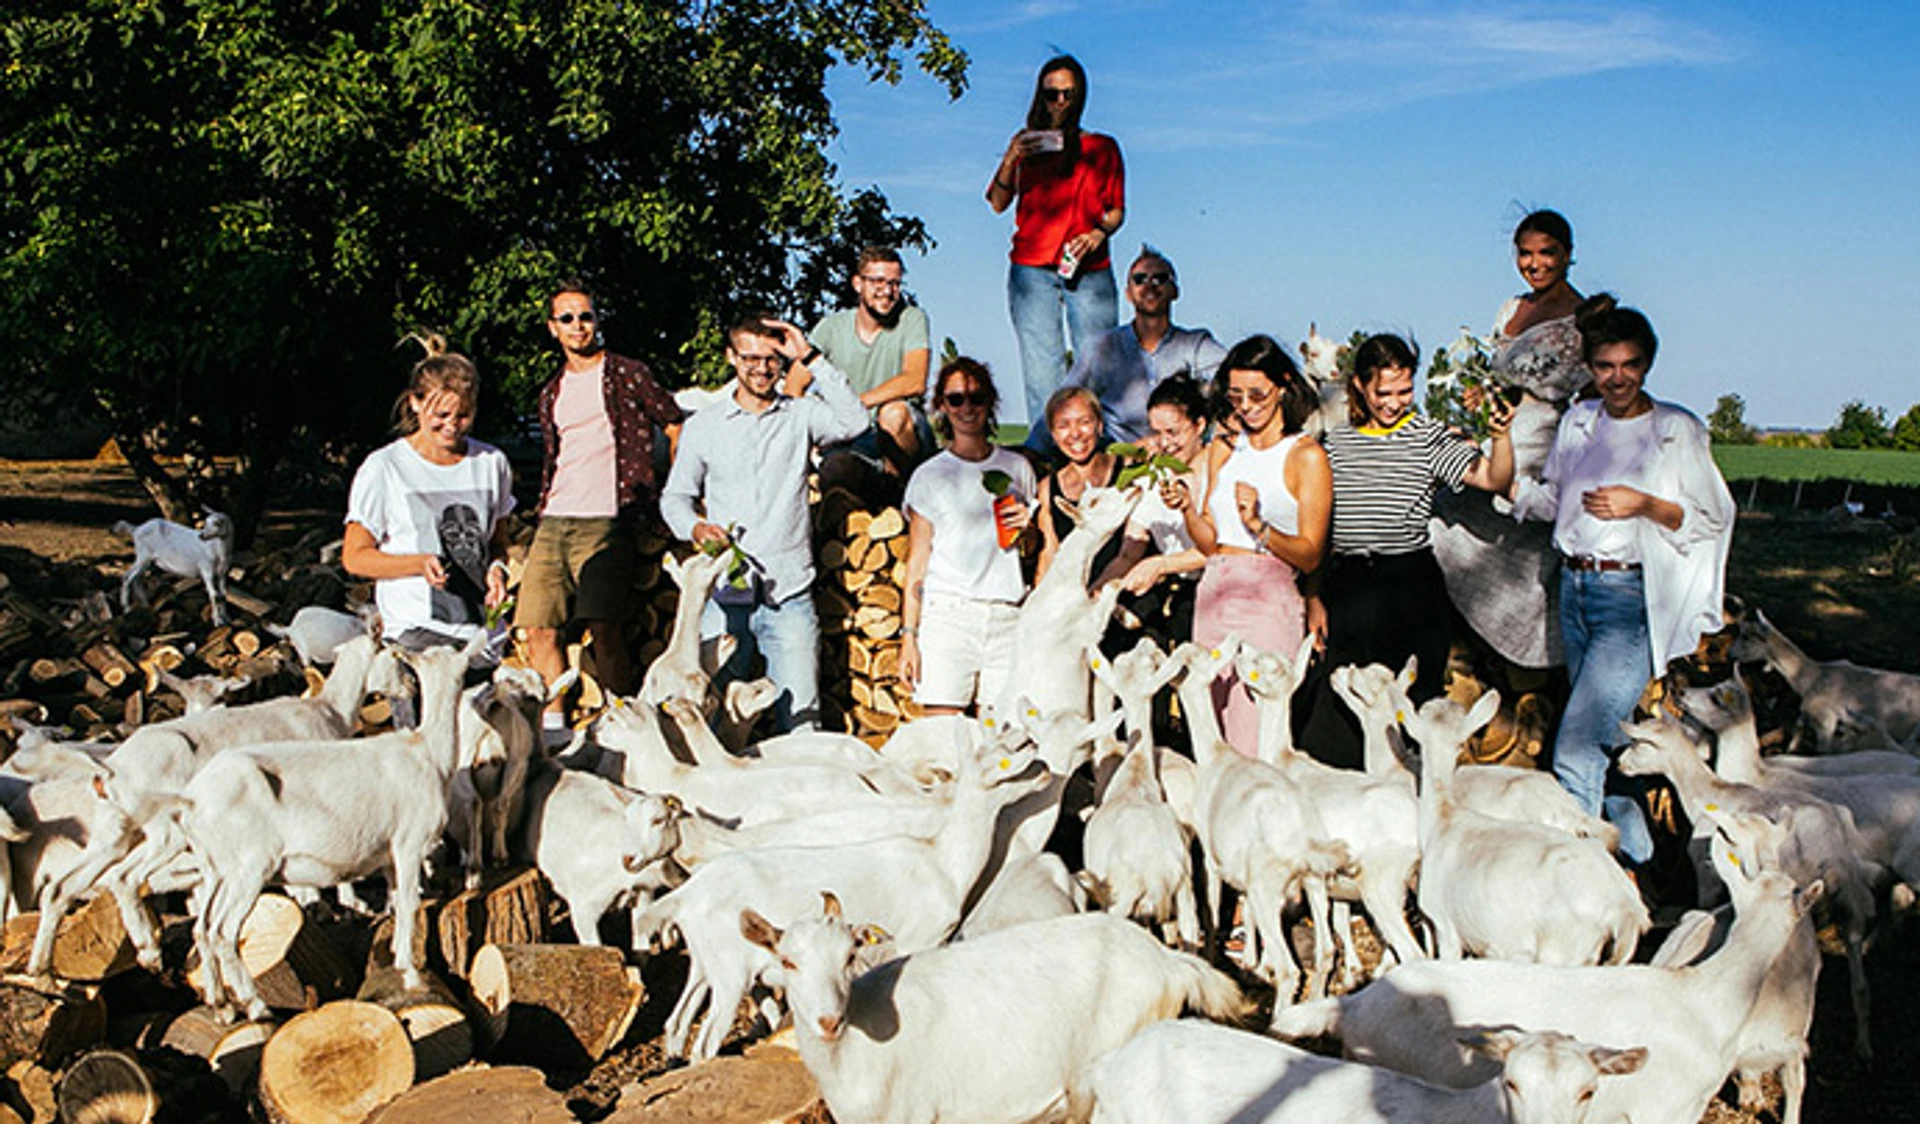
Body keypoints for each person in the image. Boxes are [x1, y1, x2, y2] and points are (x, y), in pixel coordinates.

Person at [1511, 295, 1734, 865]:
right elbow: (1555, 499)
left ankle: (1577, 880)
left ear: (1647, 365)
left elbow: (1710, 516)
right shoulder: (1580, 422)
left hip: (1629, 601)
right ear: (1590, 367)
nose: (1617, 378)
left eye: (1629, 365)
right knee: (1610, 746)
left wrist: (1645, 504)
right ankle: (1640, 865)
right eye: (1605, 365)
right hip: (1576, 591)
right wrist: (1496, 477)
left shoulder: (1676, 430)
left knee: (1577, 749)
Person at [1296, 334, 1514, 769]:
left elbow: (1494, 479)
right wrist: (1314, 595)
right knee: (1341, 710)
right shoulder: (1336, 444)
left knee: (1408, 712)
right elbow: (1324, 531)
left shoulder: (1428, 435)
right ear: (1359, 385)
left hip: (1409, 586)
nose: (1394, 402)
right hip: (1349, 586)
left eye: (1403, 391)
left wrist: (1501, 436)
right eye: (1383, 393)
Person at [660, 313, 868, 732]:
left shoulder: (801, 415)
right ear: (731, 358)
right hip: (723, 598)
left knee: (802, 725)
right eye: (750, 357)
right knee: (712, 722)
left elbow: (856, 422)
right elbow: (675, 497)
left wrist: (810, 356)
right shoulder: (704, 426)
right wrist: (695, 529)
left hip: (788, 595)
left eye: (771, 358)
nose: (761, 368)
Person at [517, 279, 685, 739]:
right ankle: (553, 730)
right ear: (553, 328)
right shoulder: (550, 391)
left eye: (585, 316)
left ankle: (622, 728)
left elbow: (673, 423)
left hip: (609, 516)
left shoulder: (628, 373)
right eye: (567, 318)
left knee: (605, 627)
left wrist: (671, 486)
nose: (578, 326)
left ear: (597, 321)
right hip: (555, 517)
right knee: (538, 626)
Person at [1431, 209, 1591, 670]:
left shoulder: (1584, 317)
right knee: (1447, 511)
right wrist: (1483, 394)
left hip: (1546, 440)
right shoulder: (1511, 309)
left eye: (1547, 253)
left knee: (1523, 543)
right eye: (1526, 253)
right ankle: (1471, 649)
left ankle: (1530, 660)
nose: (1535, 263)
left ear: (1568, 254)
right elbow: (1506, 381)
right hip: (1502, 431)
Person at [1160, 337, 1329, 755]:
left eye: (1258, 394)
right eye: (1236, 396)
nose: (1247, 406)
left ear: (1284, 386)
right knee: (1210, 730)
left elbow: (1311, 554)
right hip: (1215, 592)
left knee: (1256, 733)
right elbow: (1213, 544)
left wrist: (1261, 527)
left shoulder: (1305, 456)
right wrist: (1187, 509)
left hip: (1268, 596)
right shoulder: (1224, 447)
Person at [985, 54, 1125, 455]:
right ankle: (1046, 463)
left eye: (1069, 94)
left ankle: (1103, 459)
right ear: (1040, 96)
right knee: (1042, 371)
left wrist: (1099, 233)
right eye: (1052, 94)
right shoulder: (1027, 146)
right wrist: (1012, 157)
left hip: (1090, 270)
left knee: (1098, 367)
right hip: (1031, 270)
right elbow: (996, 202)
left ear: (1080, 96)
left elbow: (1116, 210)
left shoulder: (1102, 148)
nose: (1060, 102)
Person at [344, 336, 514, 657]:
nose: (452, 426)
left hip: (481, 636)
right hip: (416, 633)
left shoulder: (492, 463)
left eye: (463, 415)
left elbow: (497, 544)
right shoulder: (386, 466)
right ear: (415, 402)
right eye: (441, 415)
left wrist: (497, 570)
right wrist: (418, 563)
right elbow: (355, 557)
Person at [899, 359, 1037, 715]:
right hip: (949, 614)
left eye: (976, 398)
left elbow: (1029, 549)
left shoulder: (1017, 468)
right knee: (942, 735)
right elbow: (917, 561)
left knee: (1003, 737)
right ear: (942, 405)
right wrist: (909, 637)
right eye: (956, 399)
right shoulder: (929, 476)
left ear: (990, 401)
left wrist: (1029, 530)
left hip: (1006, 613)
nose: (967, 408)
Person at [1095, 374, 1213, 653]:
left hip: (1213, 593)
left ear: (1200, 425)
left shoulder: (1218, 472)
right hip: (1170, 594)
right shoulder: (1155, 475)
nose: (1164, 443)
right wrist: (1099, 590)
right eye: (1156, 433)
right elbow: (1130, 551)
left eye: (1173, 432)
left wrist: (1162, 564)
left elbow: (1219, 549)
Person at [1063, 247, 1226, 444]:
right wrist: (1033, 453)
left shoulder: (1195, 344)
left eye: (1160, 278)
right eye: (1139, 279)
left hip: (1181, 459)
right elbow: (1065, 402)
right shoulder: (1102, 347)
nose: (1149, 286)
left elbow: (1238, 377)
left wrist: (1223, 437)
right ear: (1128, 294)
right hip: (1120, 460)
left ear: (1174, 291)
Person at [805, 245, 934, 482]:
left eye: (894, 283)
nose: (887, 291)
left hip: (902, 434)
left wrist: (854, 404)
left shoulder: (912, 319)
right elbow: (794, 386)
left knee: (893, 414)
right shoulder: (830, 328)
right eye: (878, 282)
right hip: (850, 436)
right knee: (835, 469)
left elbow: (915, 380)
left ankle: (897, 492)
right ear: (858, 284)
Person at [1033, 386, 1122, 585]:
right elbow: (1049, 556)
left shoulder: (1125, 470)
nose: (1075, 434)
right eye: (1063, 426)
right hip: (1074, 597)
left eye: (1084, 422)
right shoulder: (1047, 489)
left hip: (1124, 589)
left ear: (1099, 425)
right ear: (1053, 434)